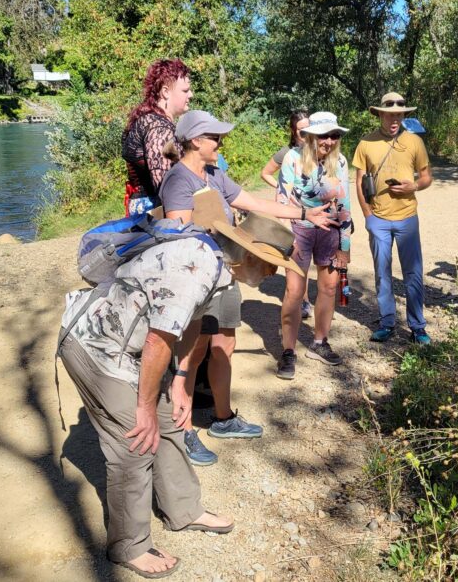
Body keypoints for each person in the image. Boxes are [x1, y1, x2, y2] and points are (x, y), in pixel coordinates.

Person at [58, 194, 299, 578]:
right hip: (96, 346)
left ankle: (184, 510)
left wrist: (182, 384)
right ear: (250, 254)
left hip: (132, 347)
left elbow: (187, 326)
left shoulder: (220, 268)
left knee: (169, 421)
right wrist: (143, 407)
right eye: (272, 264)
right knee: (136, 439)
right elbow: (158, 340)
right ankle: (129, 545)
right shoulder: (198, 268)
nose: (274, 274)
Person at [158, 110, 333, 465]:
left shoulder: (213, 174)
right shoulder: (179, 180)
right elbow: (176, 232)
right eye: (215, 138)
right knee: (193, 352)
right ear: (195, 141)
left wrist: (304, 214)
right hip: (195, 279)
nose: (220, 143)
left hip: (223, 274)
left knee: (225, 343)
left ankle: (223, 419)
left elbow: (252, 203)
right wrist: (220, 231)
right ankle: (184, 430)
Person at [275, 111, 353, 380]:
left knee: (329, 287)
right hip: (300, 230)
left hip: (329, 231)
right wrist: (288, 238)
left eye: (334, 135)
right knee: (295, 291)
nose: (329, 141)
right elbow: (281, 202)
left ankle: (320, 342)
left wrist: (345, 244)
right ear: (310, 136)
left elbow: (344, 205)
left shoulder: (340, 162)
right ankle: (288, 351)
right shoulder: (293, 159)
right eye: (324, 135)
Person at [352, 92, 433, 345]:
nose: (394, 119)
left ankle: (417, 327)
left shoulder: (414, 142)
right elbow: (358, 182)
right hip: (378, 219)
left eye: (399, 115)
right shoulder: (366, 143)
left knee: (413, 274)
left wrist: (414, 187)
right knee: (382, 274)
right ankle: (387, 323)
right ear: (380, 115)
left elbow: (427, 176)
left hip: (407, 218)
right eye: (390, 115)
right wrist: (368, 216)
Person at [260, 109, 315, 319]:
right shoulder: (286, 153)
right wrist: (282, 188)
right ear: (293, 133)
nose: (306, 136)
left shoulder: (317, 151)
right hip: (290, 212)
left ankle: (304, 298)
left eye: (310, 130)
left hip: (311, 213)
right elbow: (265, 173)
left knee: (306, 258)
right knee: (295, 256)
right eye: (302, 132)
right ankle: (300, 300)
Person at [121, 59, 191, 216]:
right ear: (166, 92)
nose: (190, 95)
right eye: (185, 91)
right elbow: (167, 187)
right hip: (157, 213)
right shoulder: (158, 128)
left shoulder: (149, 119)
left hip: (144, 207)